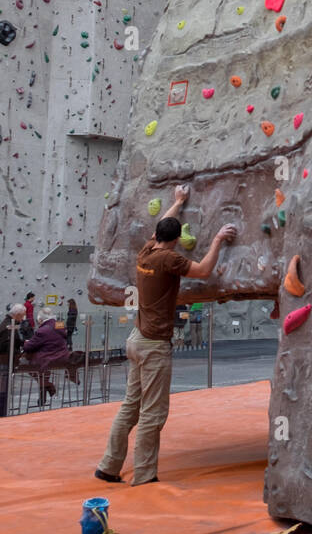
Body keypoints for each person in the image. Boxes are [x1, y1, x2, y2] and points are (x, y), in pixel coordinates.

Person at [94, 185, 237, 486]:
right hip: (154, 345)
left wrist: (177, 203)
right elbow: (202, 270)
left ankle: (109, 465)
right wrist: (217, 240)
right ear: (175, 241)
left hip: (137, 338)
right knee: (153, 412)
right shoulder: (169, 260)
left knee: (131, 405)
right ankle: (144, 474)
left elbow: (160, 227)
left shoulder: (146, 253)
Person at [20, 309, 70, 405]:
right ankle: (45, 389)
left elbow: (28, 347)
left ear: (40, 319)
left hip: (48, 359)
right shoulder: (60, 325)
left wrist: (26, 342)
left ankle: (48, 385)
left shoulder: (43, 330)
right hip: (62, 357)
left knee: (27, 364)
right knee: (42, 370)